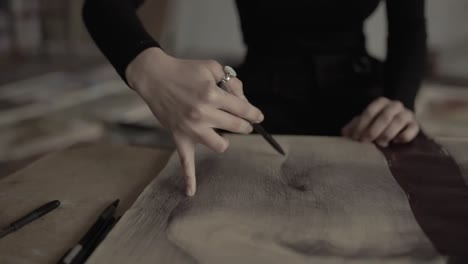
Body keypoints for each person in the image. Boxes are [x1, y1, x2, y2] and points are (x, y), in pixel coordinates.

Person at [82, 0, 427, 196]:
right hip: (258, 105)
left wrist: (401, 102)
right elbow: (104, 6)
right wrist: (150, 70)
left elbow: (408, 26)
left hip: (362, 105)